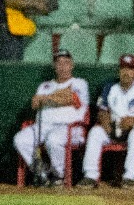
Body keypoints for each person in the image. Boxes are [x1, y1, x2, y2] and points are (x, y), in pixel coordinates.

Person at [81, 53, 134, 189]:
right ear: (119, 71)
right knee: (95, 132)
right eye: (123, 69)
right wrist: (106, 123)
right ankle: (90, 176)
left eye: (130, 69)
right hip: (114, 126)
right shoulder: (110, 86)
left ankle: (130, 177)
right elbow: (102, 110)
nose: (126, 73)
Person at [13, 50, 89, 185]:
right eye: (59, 63)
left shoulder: (79, 83)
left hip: (70, 127)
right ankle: (42, 174)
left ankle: (58, 175)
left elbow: (69, 98)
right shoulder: (44, 85)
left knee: (53, 140)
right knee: (20, 139)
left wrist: (46, 98)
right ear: (54, 66)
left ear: (72, 65)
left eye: (66, 63)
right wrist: (57, 95)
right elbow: (35, 103)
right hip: (43, 125)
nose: (63, 66)